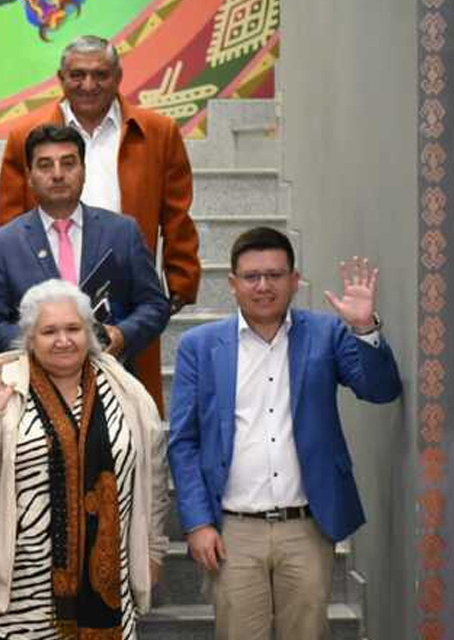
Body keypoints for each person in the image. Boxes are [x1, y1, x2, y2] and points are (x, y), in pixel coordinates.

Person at [167, 227, 403, 640]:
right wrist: (197, 522)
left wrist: (365, 330)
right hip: (233, 530)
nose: (264, 286)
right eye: (252, 276)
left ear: (295, 281)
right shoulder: (199, 346)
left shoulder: (326, 334)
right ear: (233, 283)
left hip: (307, 527)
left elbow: (380, 390)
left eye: (275, 275)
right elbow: (183, 441)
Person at [0, 279, 169, 639]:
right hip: (20, 597)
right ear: (30, 337)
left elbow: (153, 475)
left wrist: (155, 549)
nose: (63, 340)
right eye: (49, 331)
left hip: (110, 587)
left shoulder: (127, 390)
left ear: (89, 332)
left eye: (73, 328)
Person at [0, 124, 170, 407]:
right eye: (45, 165)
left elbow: (155, 305)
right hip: (32, 393)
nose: (57, 174)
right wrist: (42, 343)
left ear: (84, 171)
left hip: (112, 388)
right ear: (29, 176)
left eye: (68, 163)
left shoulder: (123, 232)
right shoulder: (3, 243)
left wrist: (122, 334)